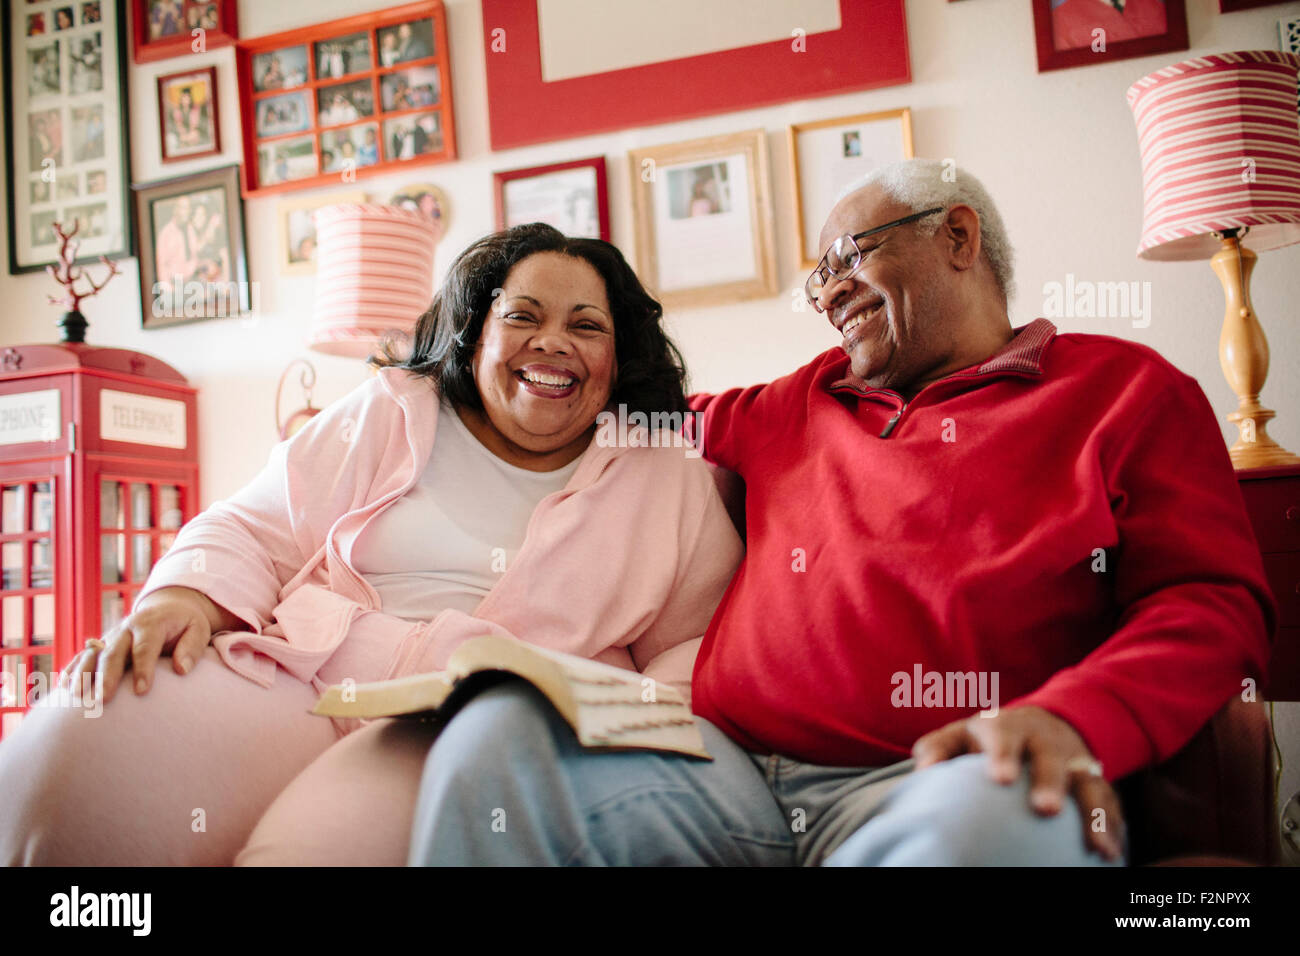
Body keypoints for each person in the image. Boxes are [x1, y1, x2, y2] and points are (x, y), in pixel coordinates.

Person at [407, 159, 1275, 867]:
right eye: (816, 278)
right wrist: (441, 388)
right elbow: (614, 412)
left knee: (1001, 828)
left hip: (949, 779)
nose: (825, 295)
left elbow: (1210, 602)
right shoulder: (797, 403)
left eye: (844, 259)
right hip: (724, 777)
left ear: (957, 235)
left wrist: (1076, 718)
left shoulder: (1125, 393)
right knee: (497, 735)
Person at [0, 224, 742, 866]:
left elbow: (693, 651)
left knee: (309, 853)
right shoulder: (395, 408)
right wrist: (181, 596)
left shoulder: (662, 472)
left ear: (619, 359)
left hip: (470, 728)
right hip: (308, 672)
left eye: (587, 326)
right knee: (69, 768)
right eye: (523, 316)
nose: (552, 342)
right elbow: (257, 525)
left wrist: (593, 730)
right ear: (476, 331)